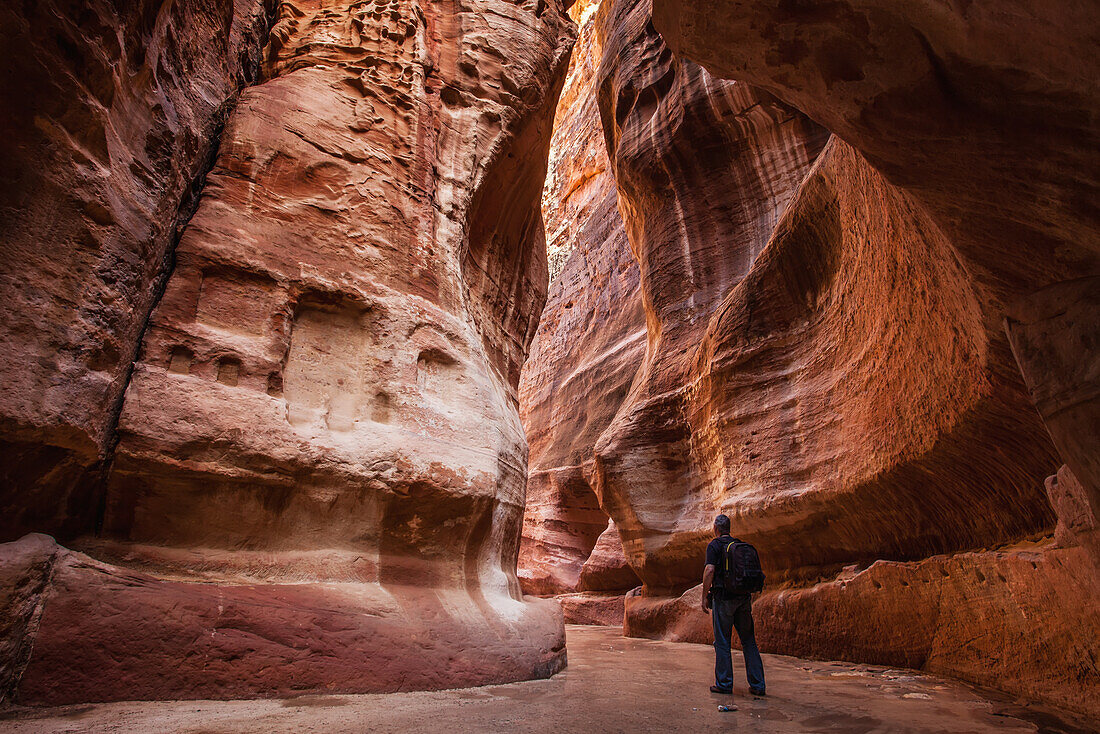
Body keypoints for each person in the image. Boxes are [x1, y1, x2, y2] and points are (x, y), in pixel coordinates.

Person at [701, 514, 766, 696]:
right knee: (748, 641)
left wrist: (704, 596)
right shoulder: (740, 545)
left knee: (722, 641)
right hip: (743, 599)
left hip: (724, 599)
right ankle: (758, 685)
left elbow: (709, 570)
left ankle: (724, 683)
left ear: (716, 528)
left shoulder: (714, 545)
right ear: (729, 528)